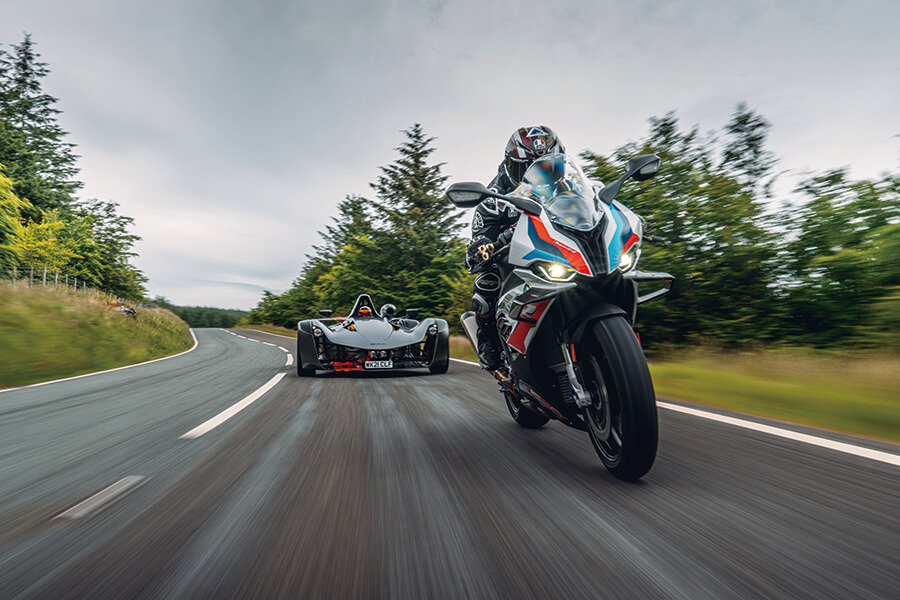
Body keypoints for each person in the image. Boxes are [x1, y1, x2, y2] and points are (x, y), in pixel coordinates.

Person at [466, 126, 565, 375]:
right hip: (514, 257)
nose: (539, 176)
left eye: (548, 167)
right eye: (528, 169)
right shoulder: (493, 198)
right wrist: (483, 245)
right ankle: (489, 342)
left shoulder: (569, 187)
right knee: (486, 282)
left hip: (562, 249)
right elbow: (481, 235)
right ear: (512, 167)